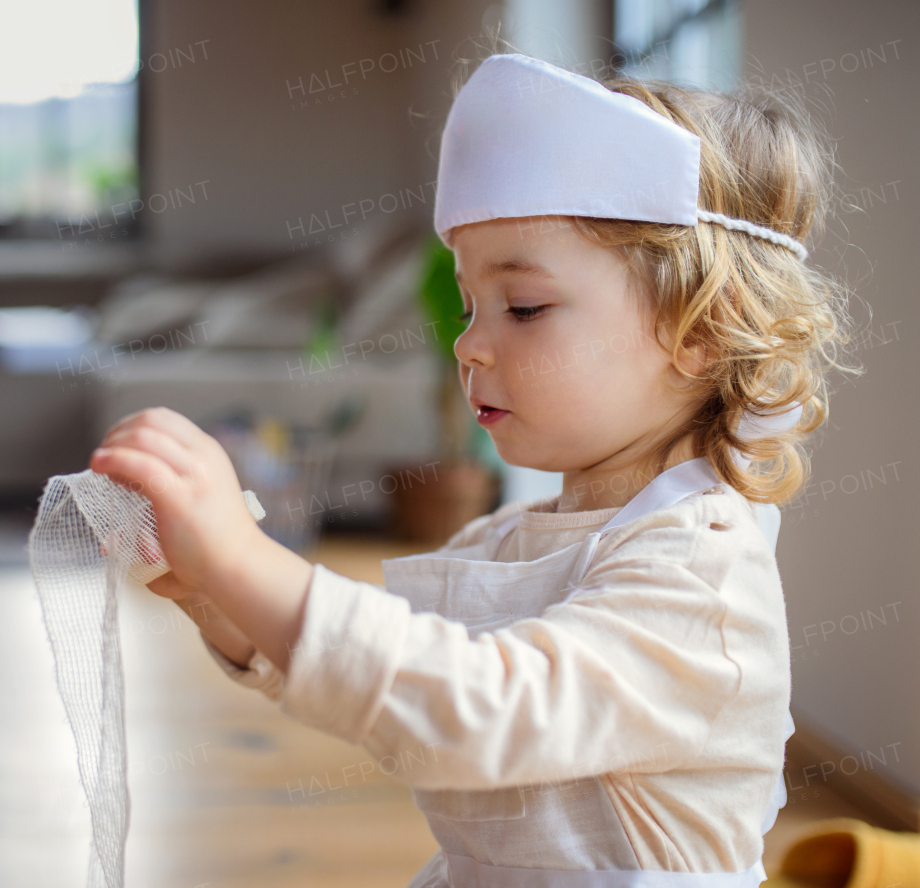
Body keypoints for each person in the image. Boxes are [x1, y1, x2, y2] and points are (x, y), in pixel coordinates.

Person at [88, 53, 855, 886]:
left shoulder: (702, 575)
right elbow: (388, 669)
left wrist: (247, 560)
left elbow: (479, 708)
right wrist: (215, 589)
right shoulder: (510, 537)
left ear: (700, 329)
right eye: (469, 304)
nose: (469, 342)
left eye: (523, 307)